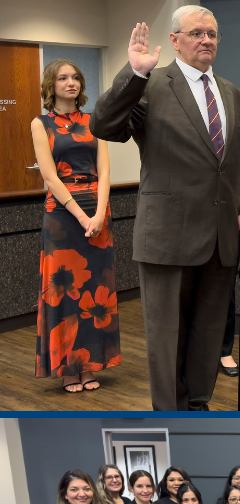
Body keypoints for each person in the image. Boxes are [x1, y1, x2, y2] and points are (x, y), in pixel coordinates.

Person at [89, 6, 240, 411]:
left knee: (208, 333)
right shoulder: (150, 87)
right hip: (167, 237)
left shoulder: (233, 94)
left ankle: (198, 402)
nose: (206, 40)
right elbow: (104, 125)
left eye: (212, 34)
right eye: (197, 33)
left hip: (221, 239)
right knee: (167, 338)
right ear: (176, 40)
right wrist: (134, 74)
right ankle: (169, 410)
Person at [31, 59, 120, 393]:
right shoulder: (41, 124)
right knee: (64, 293)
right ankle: (69, 368)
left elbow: (105, 171)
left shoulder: (94, 121)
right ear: (51, 85)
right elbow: (49, 176)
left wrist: (99, 214)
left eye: (76, 78)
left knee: (96, 292)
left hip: (98, 208)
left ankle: (91, 365)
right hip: (63, 215)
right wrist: (82, 217)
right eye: (63, 78)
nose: (71, 83)